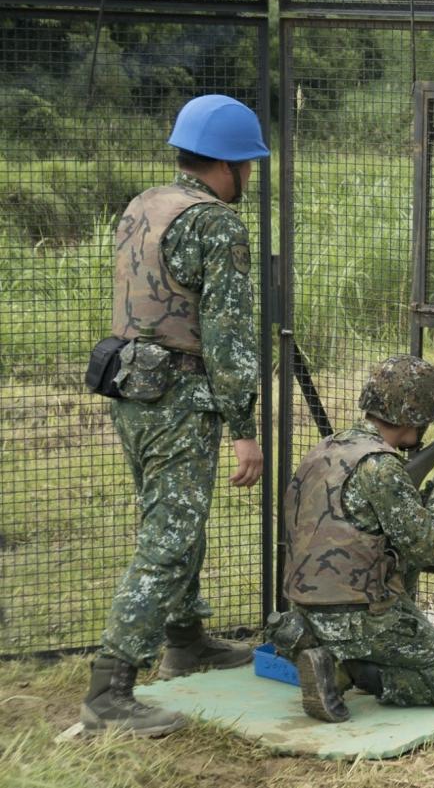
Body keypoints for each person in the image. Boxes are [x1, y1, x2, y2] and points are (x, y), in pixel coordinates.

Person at [80, 95, 269, 737]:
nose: (250, 176)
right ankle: (109, 691)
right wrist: (245, 430)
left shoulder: (143, 207)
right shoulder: (216, 225)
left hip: (130, 391)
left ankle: (185, 640)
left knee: (171, 519)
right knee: (168, 538)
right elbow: (229, 338)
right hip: (181, 399)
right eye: (249, 164)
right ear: (229, 164)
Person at [271, 354, 434, 723]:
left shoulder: (325, 449)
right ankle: (346, 670)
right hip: (361, 616)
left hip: (305, 606)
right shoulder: (381, 466)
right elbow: (424, 544)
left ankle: (311, 641)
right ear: (411, 418)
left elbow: (384, 525)